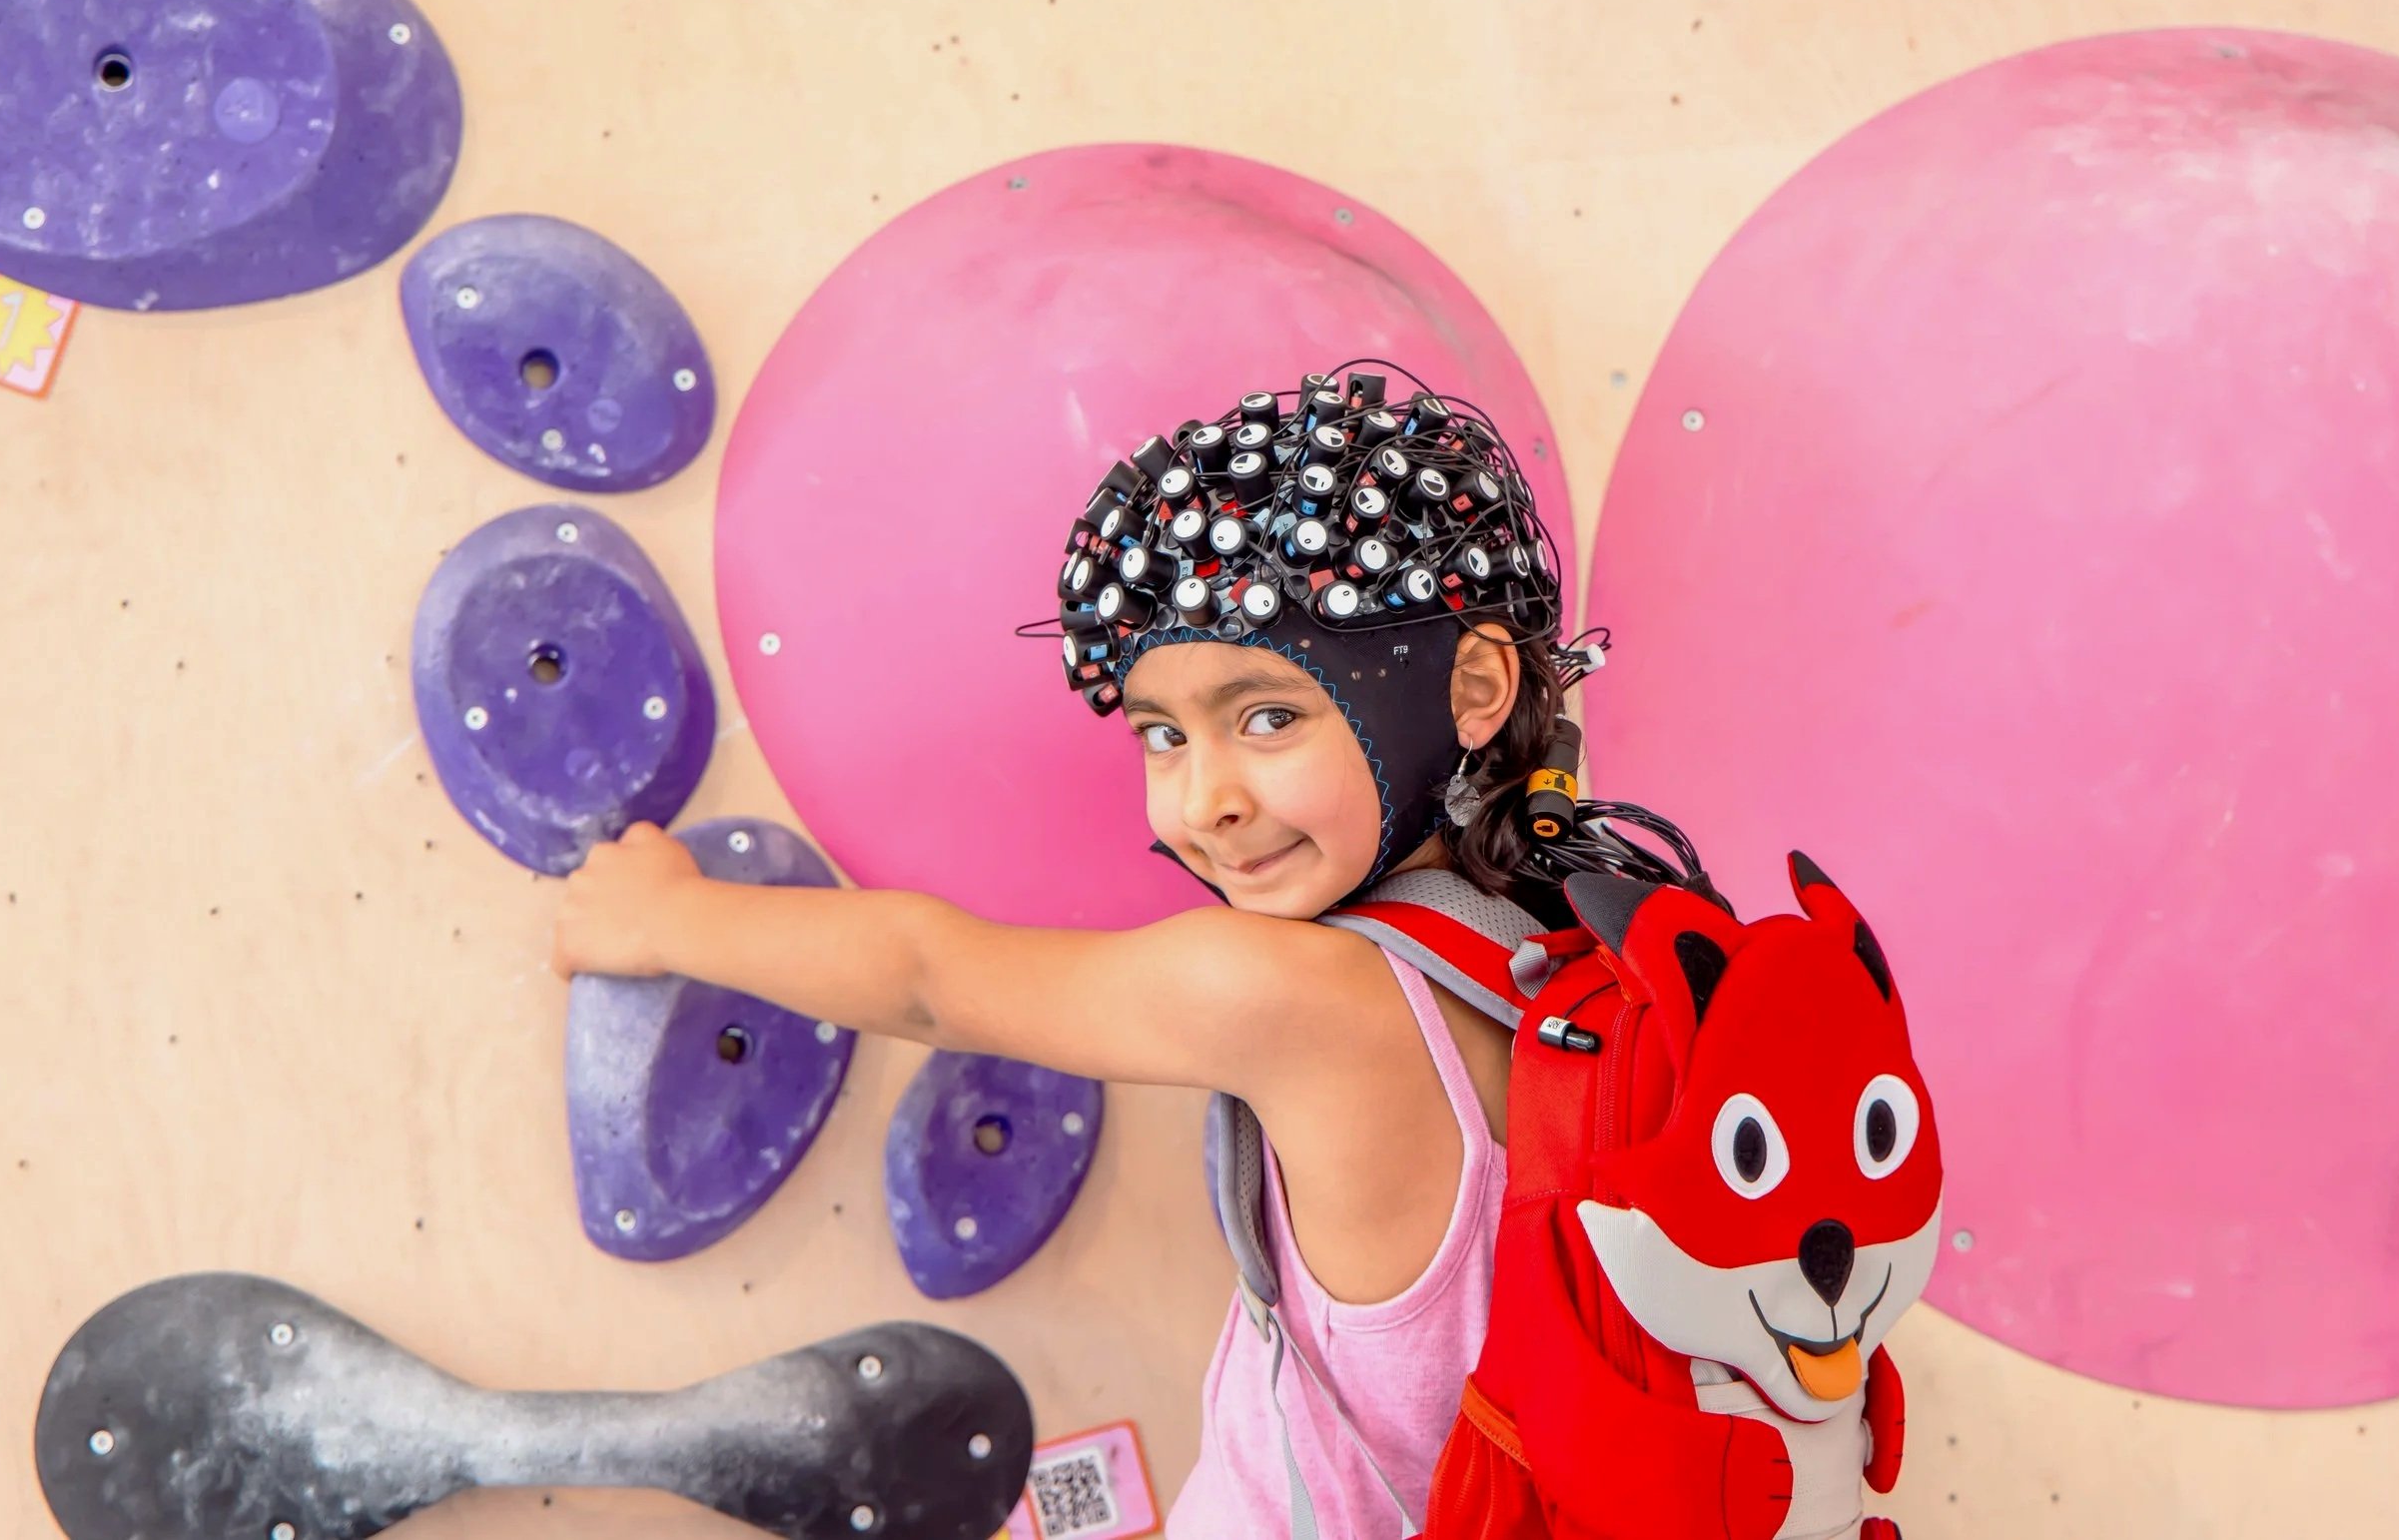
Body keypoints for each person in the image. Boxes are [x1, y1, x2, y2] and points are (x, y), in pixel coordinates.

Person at [552, 366, 1608, 1537]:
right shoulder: (1579, 936)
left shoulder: (1291, 993)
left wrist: (662, 914)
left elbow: (928, 978)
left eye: (1268, 716)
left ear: (1472, 685)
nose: (1205, 799)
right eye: (1162, 733)